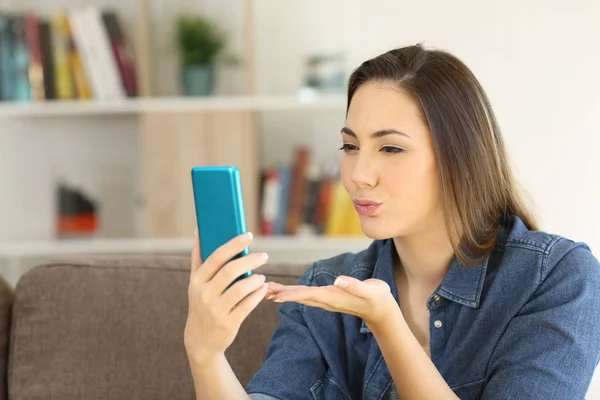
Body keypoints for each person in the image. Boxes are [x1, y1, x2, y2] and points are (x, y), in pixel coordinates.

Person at [183, 44, 600, 400]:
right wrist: (205, 355)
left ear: (460, 158)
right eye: (350, 145)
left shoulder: (558, 279)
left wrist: (388, 324)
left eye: (391, 149)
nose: (358, 174)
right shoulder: (325, 285)